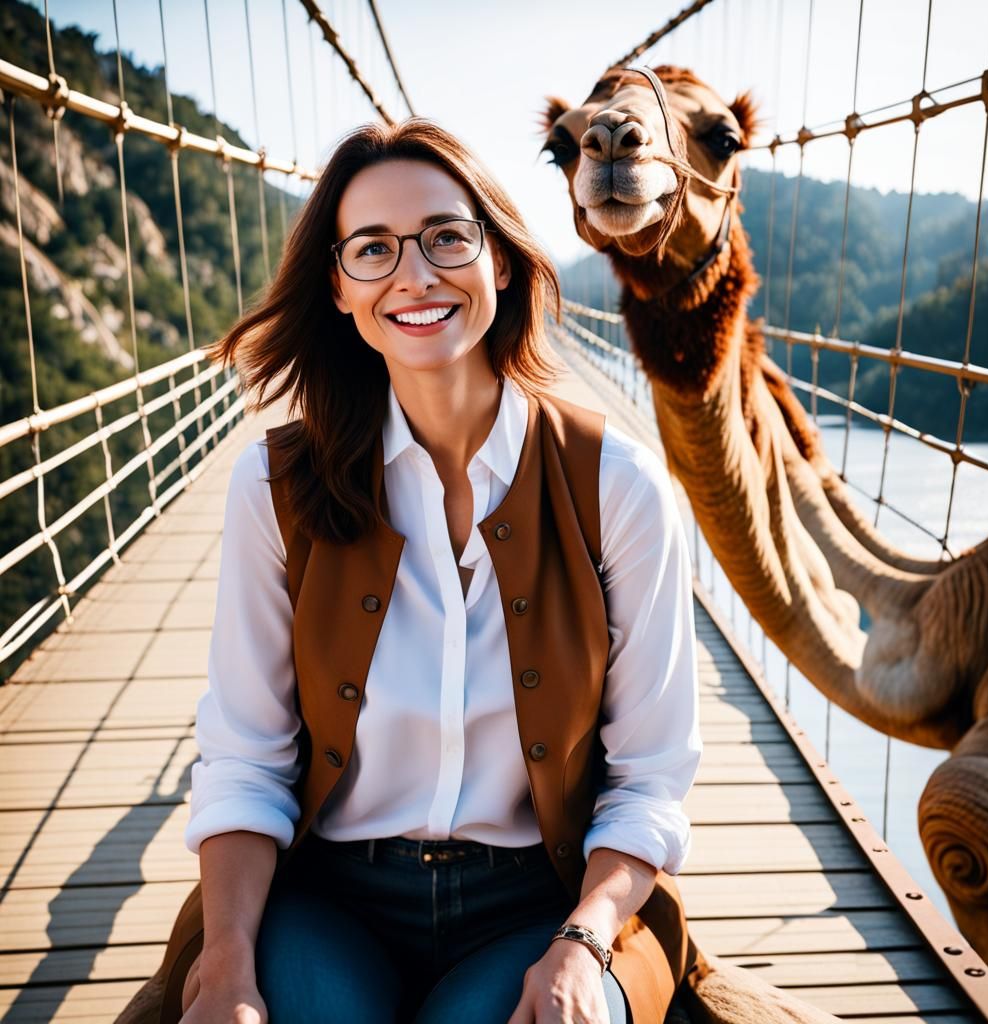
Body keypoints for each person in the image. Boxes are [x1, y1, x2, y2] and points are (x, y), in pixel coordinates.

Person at [177, 118, 701, 1024]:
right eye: (373, 249)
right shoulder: (276, 487)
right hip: (332, 897)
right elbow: (245, 759)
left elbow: (649, 778)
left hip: (543, 904)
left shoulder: (620, 488)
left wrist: (583, 941)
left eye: (446, 237)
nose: (415, 276)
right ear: (338, 288)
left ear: (499, 259)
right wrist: (223, 961)